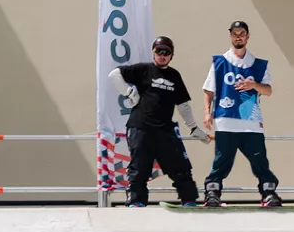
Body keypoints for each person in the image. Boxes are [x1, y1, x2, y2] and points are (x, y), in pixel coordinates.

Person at [109, 36, 205, 207]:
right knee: (139, 167)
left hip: (165, 129)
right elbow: (114, 74)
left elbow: (183, 105)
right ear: (153, 52)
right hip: (140, 127)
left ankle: (189, 200)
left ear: (171, 55)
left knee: (180, 166)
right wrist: (130, 93)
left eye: (166, 52)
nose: (162, 55)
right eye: (159, 51)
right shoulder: (143, 69)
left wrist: (194, 128)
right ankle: (136, 202)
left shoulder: (174, 75)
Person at [200, 20, 279, 209]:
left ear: (247, 36)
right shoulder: (219, 62)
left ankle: (268, 192)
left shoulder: (259, 64)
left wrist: (254, 85)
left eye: (242, 33)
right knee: (221, 161)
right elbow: (208, 90)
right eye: (235, 33)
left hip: (251, 122)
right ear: (230, 35)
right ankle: (212, 192)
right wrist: (207, 113)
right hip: (225, 121)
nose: (238, 37)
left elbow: (268, 90)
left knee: (259, 160)